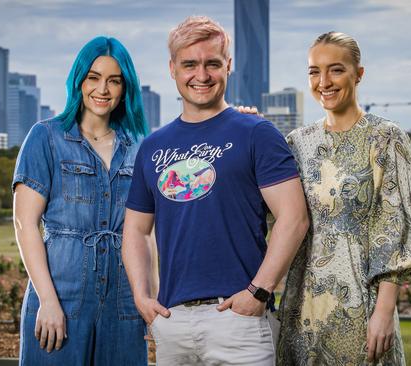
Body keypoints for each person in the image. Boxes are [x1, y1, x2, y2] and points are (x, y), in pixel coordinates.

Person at [121, 16, 309, 366]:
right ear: (172, 68)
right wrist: (142, 297)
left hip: (240, 322)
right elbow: (135, 228)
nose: (202, 75)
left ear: (229, 66)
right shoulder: (152, 146)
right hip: (172, 321)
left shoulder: (257, 133)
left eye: (212, 64)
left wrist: (258, 292)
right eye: (190, 64)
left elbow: (294, 217)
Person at [276, 32, 411, 365]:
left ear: (358, 74)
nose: (323, 82)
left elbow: (393, 226)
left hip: (362, 304)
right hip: (303, 306)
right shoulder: (297, 143)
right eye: (313, 71)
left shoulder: (386, 138)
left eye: (335, 70)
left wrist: (385, 310)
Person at [12, 36, 149, 365]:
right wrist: (48, 300)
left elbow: (148, 233)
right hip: (62, 295)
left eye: (114, 81)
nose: (103, 89)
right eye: (94, 77)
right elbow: (25, 223)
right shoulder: (46, 137)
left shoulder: (139, 146)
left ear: (124, 88)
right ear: (79, 81)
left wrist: (149, 299)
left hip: (124, 302)